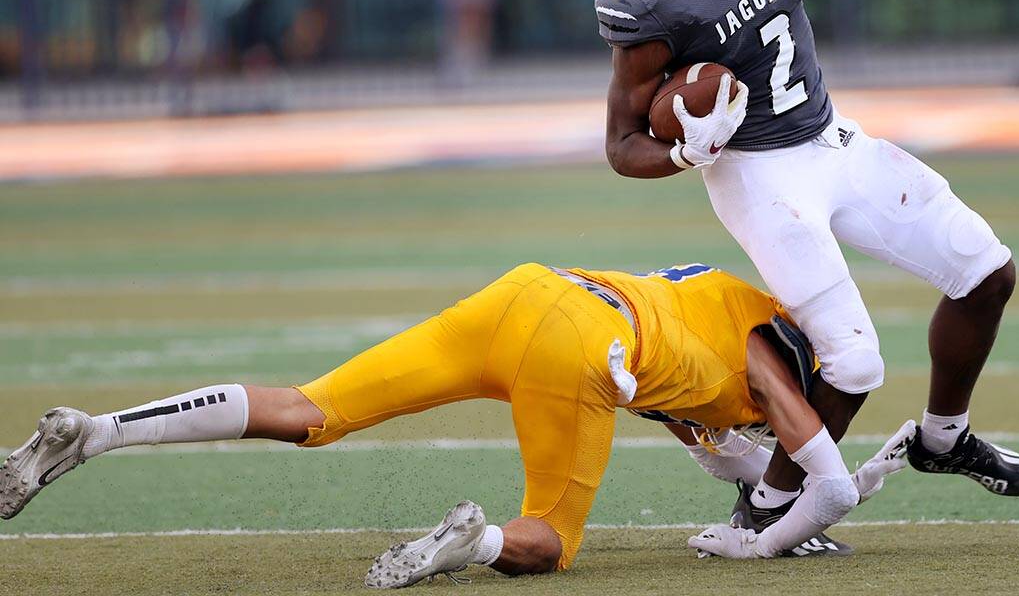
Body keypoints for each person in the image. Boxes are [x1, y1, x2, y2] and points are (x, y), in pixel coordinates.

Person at [596, 0, 1019, 530]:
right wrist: (682, 151)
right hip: (759, 175)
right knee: (854, 365)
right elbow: (621, 145)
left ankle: (942, 437)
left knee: (988, 272)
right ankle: (765, 502)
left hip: (831, 138)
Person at [1, 262, 911, 586]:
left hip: (530, 294)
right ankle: (471, 546)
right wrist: (762, 544)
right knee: (551, 540)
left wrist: (800, 484)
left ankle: (100, 431)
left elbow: (734, 464)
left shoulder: (712, 306)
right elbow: (815, 483)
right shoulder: (766, 351)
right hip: (590, 349)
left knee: (314, 410)